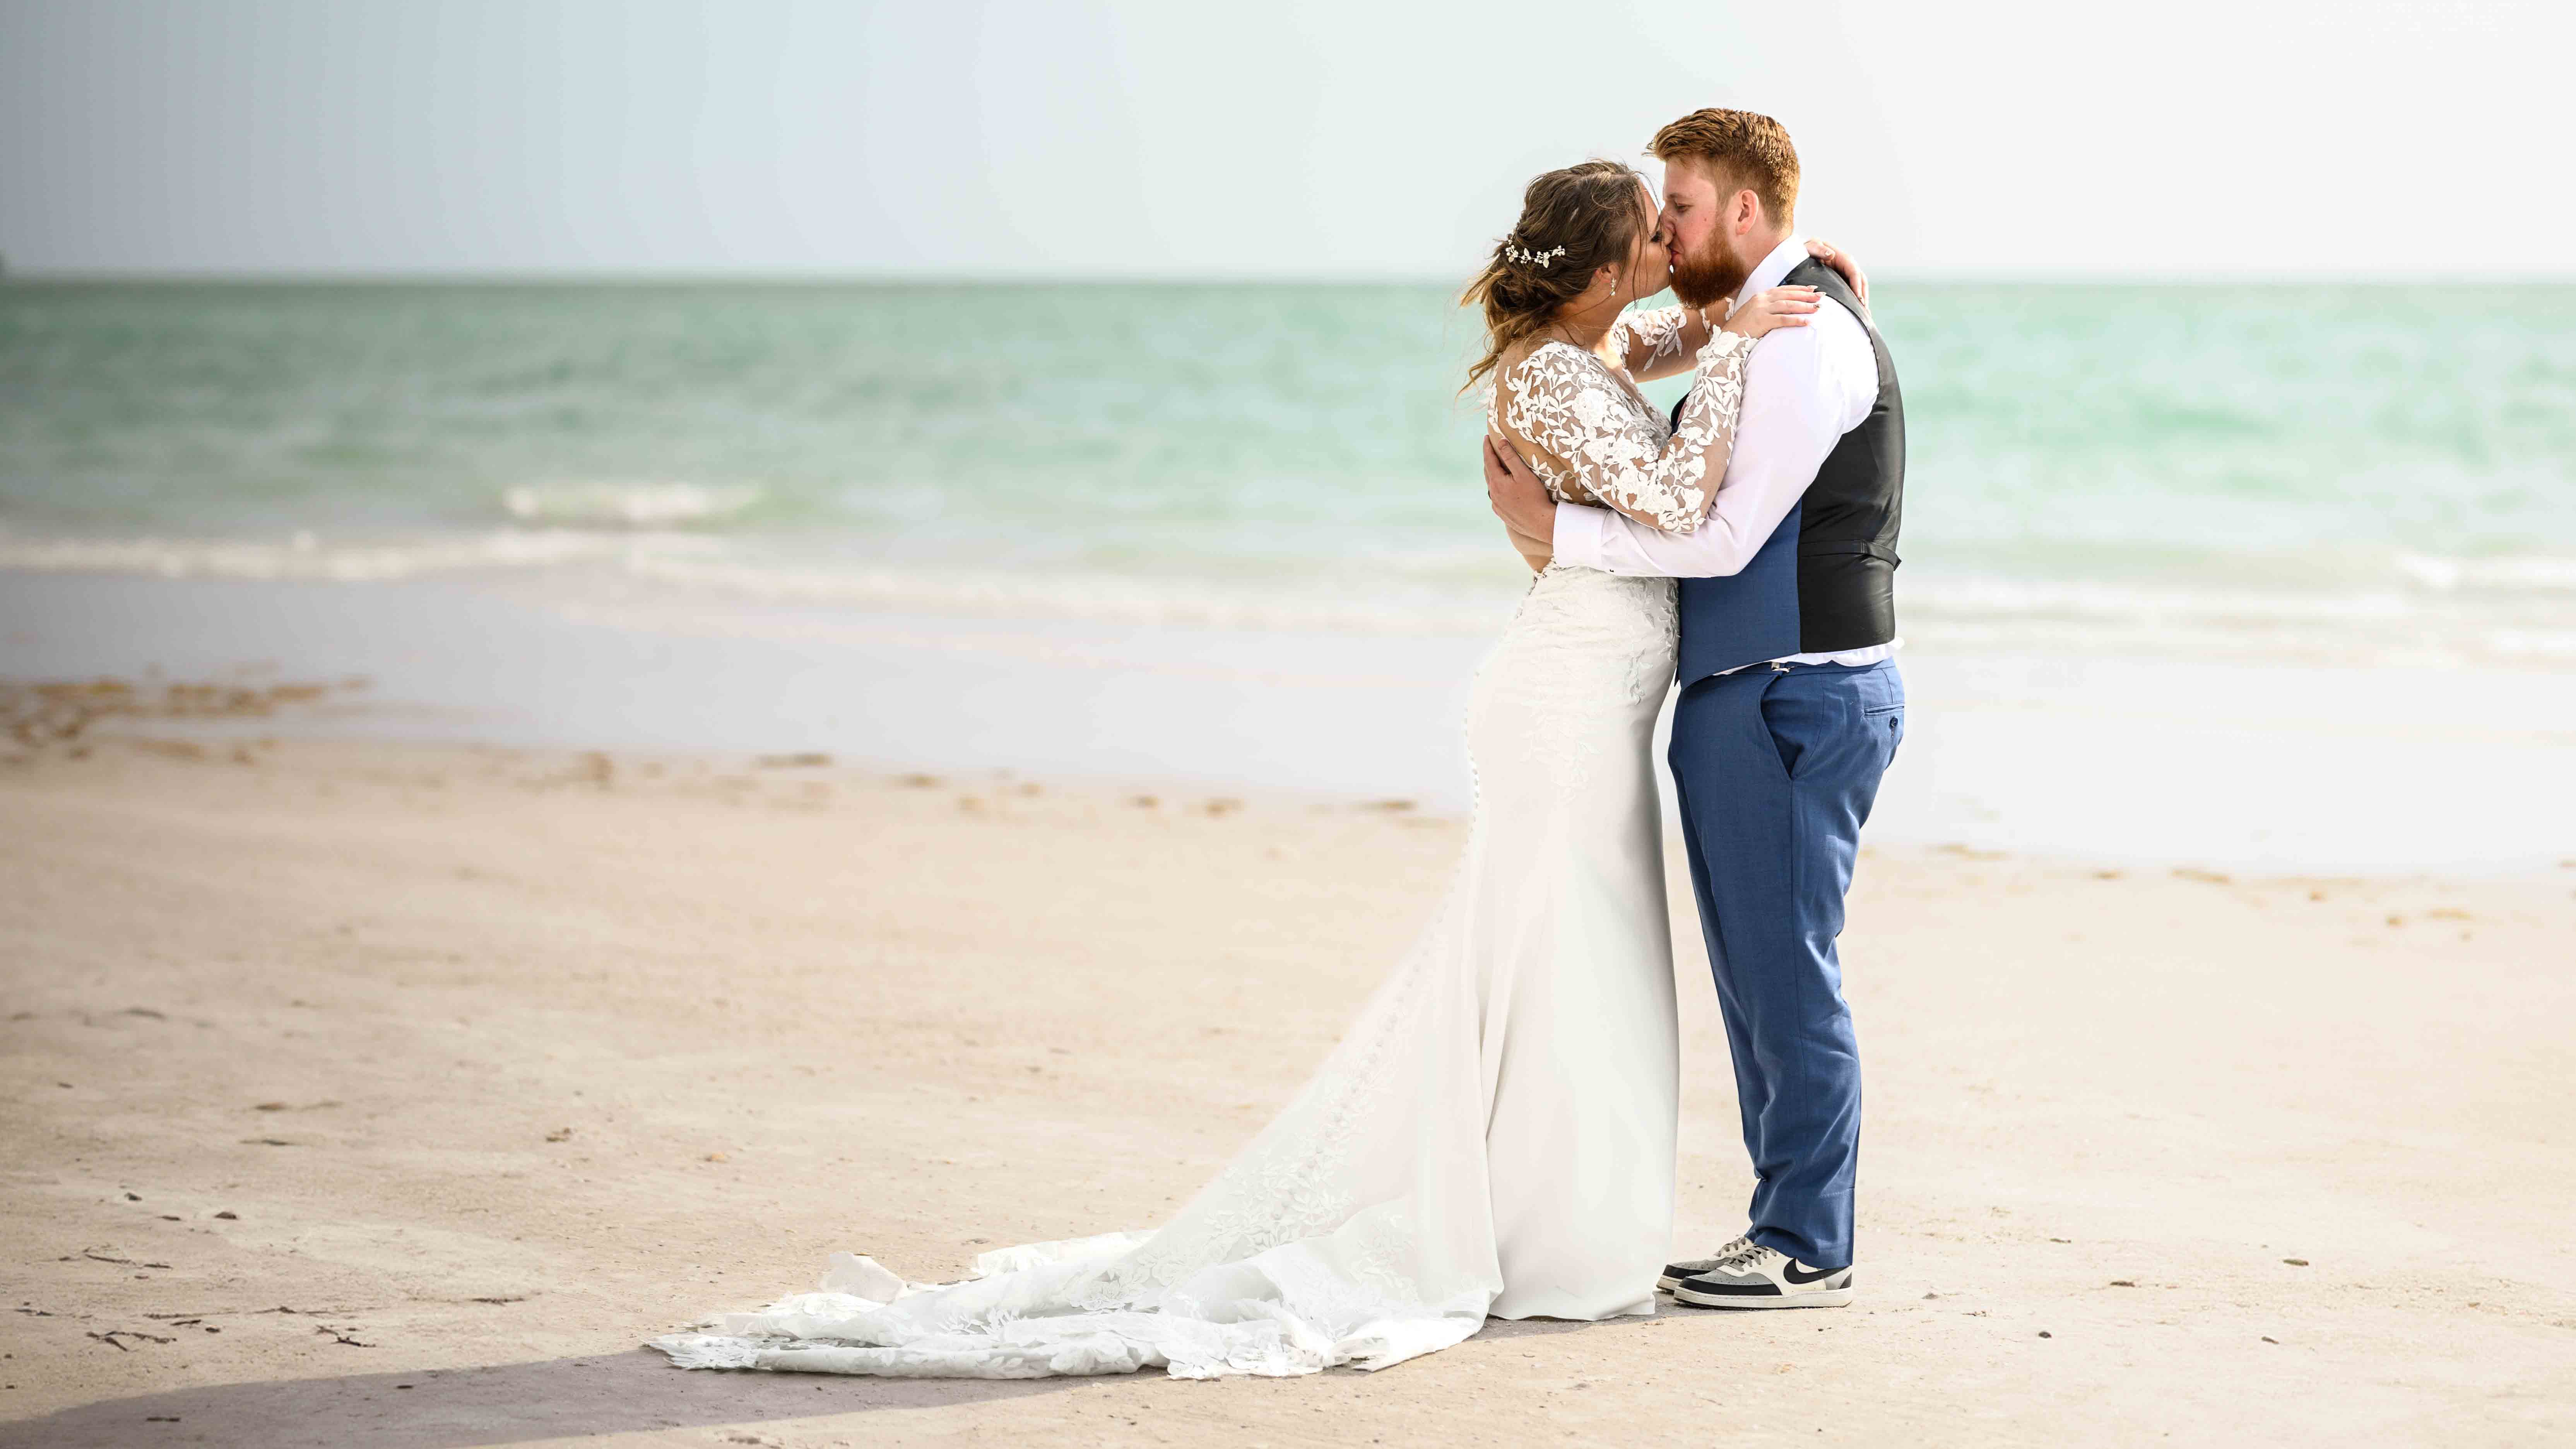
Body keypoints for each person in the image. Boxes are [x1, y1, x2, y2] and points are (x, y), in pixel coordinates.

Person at [646, 151, 1844, 1381]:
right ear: (1600, 267)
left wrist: (1771, 291)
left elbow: (1651, 348)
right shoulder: (1550, 379)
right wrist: (1750, 343)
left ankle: (1555, 1229)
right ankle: (1543, 1243)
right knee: (1558, 954)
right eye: (1651, 237)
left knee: (1573, 959)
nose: (1667, 252)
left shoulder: (1586, 352)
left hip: (1593, 699)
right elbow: (1673, 496)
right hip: (1562, 709)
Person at [1484, 108, 1907, 1311]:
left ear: (1738, 210)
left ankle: (1806, 1241)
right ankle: (1781, 1223)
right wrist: (1737, 320)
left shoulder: (1800, 333)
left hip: (1791, 691)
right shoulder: (1746, 323)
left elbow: (1714, 536)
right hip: (1743, 690)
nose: (1666, 234)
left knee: (1785, 975)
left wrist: (1548, 531)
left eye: (1680, 206)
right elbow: (1683, 342)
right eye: (1652, 218)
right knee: (1754, 975)